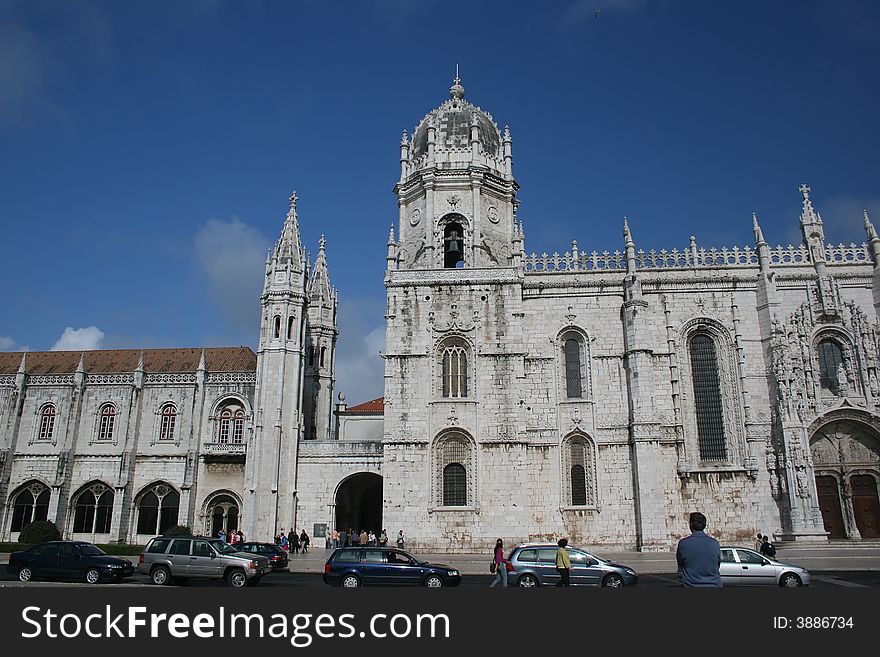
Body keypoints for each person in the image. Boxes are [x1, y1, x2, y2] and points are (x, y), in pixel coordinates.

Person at [676, 512, 723, 587]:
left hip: (691, 585)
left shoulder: (683, 544)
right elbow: (717, 564)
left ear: (691, 525)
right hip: (714, 584)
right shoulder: (715, 543)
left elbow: (680, 566)